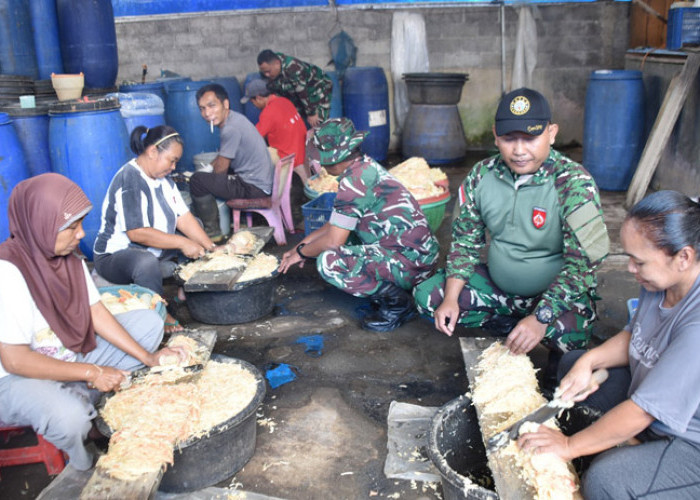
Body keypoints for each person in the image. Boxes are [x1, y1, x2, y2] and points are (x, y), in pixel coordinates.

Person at [414, 88, 610, 374]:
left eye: (530, 138)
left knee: (573, 335)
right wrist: (451, 298)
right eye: (509, 139)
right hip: (499, 289)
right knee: (427, 297)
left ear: (551, 133)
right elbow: (464, 244)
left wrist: (541, 317)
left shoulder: (573, 183)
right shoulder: (481, 176)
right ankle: (512, 325)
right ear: (495, 135)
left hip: (553, 296)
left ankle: (540, 334)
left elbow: (585, 264)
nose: (519, 150)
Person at [518, 190, 700, 499]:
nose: (630, 268)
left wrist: (568, 447)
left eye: (638, 261)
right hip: (653, 395)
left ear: (683, 257)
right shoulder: (661, 281)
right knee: (571, 365)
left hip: (688, 442)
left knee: (606, 481)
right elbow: (636, 334)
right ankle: (630, 445)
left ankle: (642, 461)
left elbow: (643, 411)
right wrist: (588, 362)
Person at [0, 173, 184, 471]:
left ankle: (79, 389)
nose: (82, 234)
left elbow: (96, 312)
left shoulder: (67, 258)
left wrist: (149, 358)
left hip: (66, 349)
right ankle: (82, 464)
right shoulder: (8, 272)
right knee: (70, 419)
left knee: (149, 324)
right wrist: (93, 371)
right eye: (72, 227)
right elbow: (15, 361)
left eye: (81, 224)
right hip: (16, 378)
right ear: (41, 226)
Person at [278, 118, 439, 332]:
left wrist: (303, 253)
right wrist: (300, 248)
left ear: (334, 160)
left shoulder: (354, 182)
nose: (321, 165)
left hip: (413, 263)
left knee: (329, 261)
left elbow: (333, 241)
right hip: (419, 254)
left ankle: (398, 304)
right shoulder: (363, 167)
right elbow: (335, 224)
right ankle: (392, 286)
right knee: (343, 239)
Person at [93, 125, 217, 333]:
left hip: (154, 251)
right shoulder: (130, 179)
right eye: (172, 160)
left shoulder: (164, 180)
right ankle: (159, 312)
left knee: (196, 226)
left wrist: (211, 247)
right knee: (146, 262)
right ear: (152, 152)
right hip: (115, 258)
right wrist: (182, 243)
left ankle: (184, 289)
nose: (174, 166)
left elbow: (183, 217)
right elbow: (137, 232)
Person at [191, 83, 274, 240]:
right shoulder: (235, 119)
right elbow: (223, 155)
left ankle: (213, 234)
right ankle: (237, 221)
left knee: (197, 181)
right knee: (206, 176)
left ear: (225, 104)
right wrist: (208, 168)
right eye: (202, 108)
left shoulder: (230, 129)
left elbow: (221, 170)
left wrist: (206, 179)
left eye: (211, 106)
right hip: (260, 181)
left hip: (253, 187)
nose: (207, 113)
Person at [240, 78, 308, 183]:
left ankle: (262, 187)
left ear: (258, 98)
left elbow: (253, 138)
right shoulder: (284, 101)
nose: (253, 105)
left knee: (251, 156)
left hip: (288, 156)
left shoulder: (268, 113)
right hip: (302, 151)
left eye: (252, 101)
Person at [257, 49, 332, 128]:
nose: (267, 75)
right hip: (294, 92)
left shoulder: (294, 68)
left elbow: (303, 92)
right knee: (291, 119)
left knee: (317, 123)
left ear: (277, 63)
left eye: (268, 71)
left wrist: (311, 113)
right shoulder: (267, 70)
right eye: (264, 72)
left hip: (316, 88)